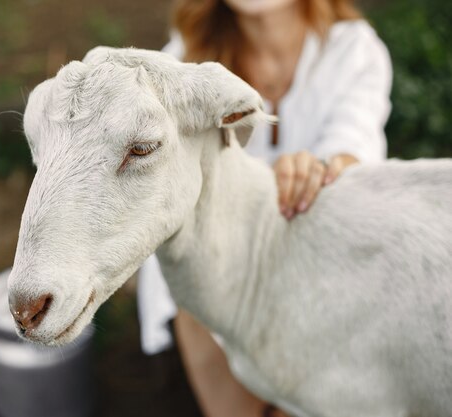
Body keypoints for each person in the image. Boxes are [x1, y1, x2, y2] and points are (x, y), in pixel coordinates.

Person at [137, 0, 393, 415]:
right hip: (216, 266)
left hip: (313, 264)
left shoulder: (353, 50)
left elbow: (355, 142)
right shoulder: (182, 63)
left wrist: (325, 168)